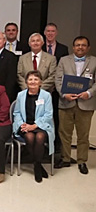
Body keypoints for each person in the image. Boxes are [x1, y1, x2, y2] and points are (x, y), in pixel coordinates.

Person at [55, 36, 96, 175]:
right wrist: (63, 94)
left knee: (83, 135)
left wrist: (89, 93)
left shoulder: (94, 61)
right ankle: (65, 158)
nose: (80, 47)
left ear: (88, 47)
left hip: (86, 103)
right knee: (64, 133)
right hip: (66, 101)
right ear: (73, 47)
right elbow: (58, 79)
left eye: (83, 45)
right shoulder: (63, 60)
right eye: (77, 45)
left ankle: (82, 161)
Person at [13, 70, 55, 182]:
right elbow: (16, 113)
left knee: (40, 137)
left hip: (41, 126)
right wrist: (22, 124)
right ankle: (38, 165)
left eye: (36, 79)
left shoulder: (46, 96)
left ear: (40, 82)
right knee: (29, 137)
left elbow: (48, 114)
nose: (33, 82)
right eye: (30, 79)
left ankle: (37, 165)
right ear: (26, 82)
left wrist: (35, 126)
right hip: (25, 126)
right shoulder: (21, 95)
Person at [42, 23, 69, 153]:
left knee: (55, 118)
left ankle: (56, 147)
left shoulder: (63, 49)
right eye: (48, 31)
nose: (50, 33)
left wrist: (54, 86)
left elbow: (63, 71)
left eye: (53, 31)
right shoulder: (38, 46)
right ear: (44, 33)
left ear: (56, 33)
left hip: (55, 91)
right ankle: (41, 145)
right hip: (40, 90)